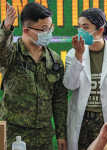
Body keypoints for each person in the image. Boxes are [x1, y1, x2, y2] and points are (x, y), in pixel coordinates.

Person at [63, 8, 107, 150]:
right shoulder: (73, 54)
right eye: (79, 27)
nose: (80, 31)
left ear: (100, 30)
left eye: (85, 27)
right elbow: (70, 85)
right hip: (82, 121)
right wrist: (78, 56)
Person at [0, 2, 67, 150]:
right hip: (15, 134)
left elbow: (59, 99)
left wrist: (61, 134)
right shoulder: (12, 54)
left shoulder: (54, 59)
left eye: (50, 27)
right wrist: (6, 29)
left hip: (44, 135)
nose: (49, 32)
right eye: (44, 29)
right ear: (26, 30)